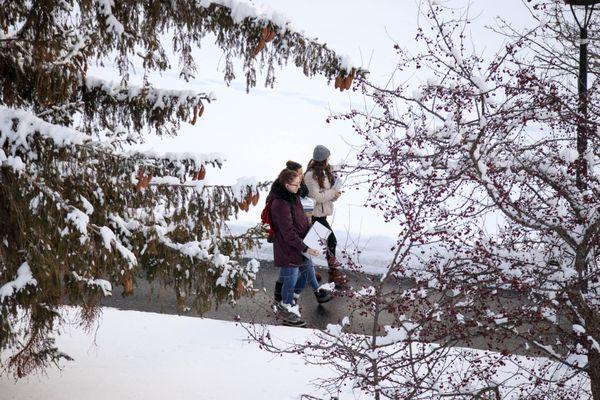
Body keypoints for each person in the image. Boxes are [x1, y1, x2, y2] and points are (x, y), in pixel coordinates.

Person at [270, 168, 333, 327]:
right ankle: (287, 309)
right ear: (286, 185)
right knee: (289, 281)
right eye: (296, 184)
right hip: (289, 249)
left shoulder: (293, 197)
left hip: (301, 244)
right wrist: (305, 248)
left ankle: (292, 299)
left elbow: (302, 221)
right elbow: (288, 233)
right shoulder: (280, 203)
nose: (299, 187)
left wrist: (314, 236)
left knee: (307, 272)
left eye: (299, 183)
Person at [304, 145, 347, 289]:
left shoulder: (323, 172)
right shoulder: (311, 175)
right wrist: (333, 193)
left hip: (322, 214)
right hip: (315, 215)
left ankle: (306, 271)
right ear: (323, 158)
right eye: (328, 157)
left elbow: (326, 193)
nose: (329, 159)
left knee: (310, 244)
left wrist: (335, 195)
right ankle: (333, 273)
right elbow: (315, 197)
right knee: (331, 241)